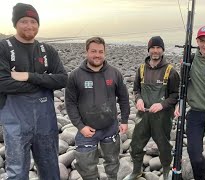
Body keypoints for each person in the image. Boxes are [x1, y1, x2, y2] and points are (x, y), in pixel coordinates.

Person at [0, 3, 68, 179]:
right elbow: (3, 83)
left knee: (50, 166)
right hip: (16, 122)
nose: (29, 25)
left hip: (45, 122)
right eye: (24, 21)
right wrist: (45, 82)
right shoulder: (3, 48)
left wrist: (29, 76)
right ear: (15, 23)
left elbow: (62, 79)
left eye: (33, 21)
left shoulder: (47, 50)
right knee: (17, 170)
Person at [65, 37, 130, 180]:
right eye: (93, 51)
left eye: (101, 51)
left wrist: (124, 120)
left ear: (105, 53)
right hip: (86, 130)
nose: (97, 55)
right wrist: (80, 127)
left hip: (110, 128)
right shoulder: (76, 75)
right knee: (86, 166)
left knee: (113, 163)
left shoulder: (114, 73)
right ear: (86, 52)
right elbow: (70, 103)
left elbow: (124, 98)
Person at [124, 36, 180, 180]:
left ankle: (167, 172)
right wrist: (139, 99)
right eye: (152, 48)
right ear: (148, 50)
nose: (155, 51)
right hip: (143, 115)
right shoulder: (141, 69)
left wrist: (162, 104)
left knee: (164, 146)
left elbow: (176, 95)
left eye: (158, 48)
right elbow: (136, 89)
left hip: (162, 117)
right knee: (136, 143)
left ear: (162, 50)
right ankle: (136, 171)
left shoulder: (171, 71)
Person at [174, 25, 205, 180]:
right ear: (197, 41)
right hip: (195, 113)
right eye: (202, 40)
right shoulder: (190, 60)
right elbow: (182, 85)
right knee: (195, 155)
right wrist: (178, 104)